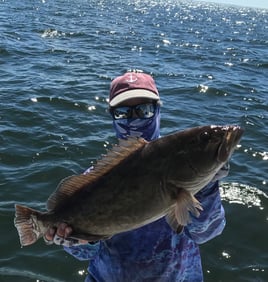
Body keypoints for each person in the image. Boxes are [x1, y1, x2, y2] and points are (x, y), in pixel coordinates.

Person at [45, 71, 229, 281]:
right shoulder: (93, 181)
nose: (134, 118)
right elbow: (86, 254)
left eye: (144, 110)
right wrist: (72, 240)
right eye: (123, 112)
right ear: (112, 115)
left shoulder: (182, 164)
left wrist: (207, 187)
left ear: (158, 109)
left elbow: (206, 233)